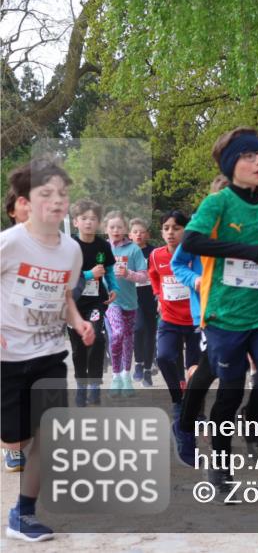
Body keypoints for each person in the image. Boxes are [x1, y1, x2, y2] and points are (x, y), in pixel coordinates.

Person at [181, 127, 258, 495]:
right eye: (250, 156)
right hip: (224, 316)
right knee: (228, 393)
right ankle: (220, 466)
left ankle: (253, 418)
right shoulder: (217, 204)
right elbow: (192, 240)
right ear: (233, 165)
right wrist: (243, 252)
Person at [1, 158, 94, 541]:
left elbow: (64, 294)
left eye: (62, 193)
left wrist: (78, 321)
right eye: (47, 193)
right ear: (26, 201)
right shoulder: (10, 243)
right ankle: (11, 444)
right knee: (13, 435)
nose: (57, 201)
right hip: (8, 357)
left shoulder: (71, 251)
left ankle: (22, 514)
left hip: (50, 352)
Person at [170, 175, 228, 467]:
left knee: (216, 372)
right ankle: (189, 423)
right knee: (207, 371)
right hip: (207, 313)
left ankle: (198, 423)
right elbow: (177, 264)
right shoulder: (199, 228)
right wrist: (196, 281)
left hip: (244, 313)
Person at [148, 211, 201, 429]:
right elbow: (153, 275)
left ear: (185, 231)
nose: (171, 232)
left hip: (195, 321)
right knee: (164, 357)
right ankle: (178, 400)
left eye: (176, 228)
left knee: (195, 368)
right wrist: (158, 294)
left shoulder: (194, 255)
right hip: (169, 319)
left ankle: (198, 408)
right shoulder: (156, 255)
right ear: (161, 231)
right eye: (166, 228)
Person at [69, 199, 119, 407]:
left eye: (93, 219)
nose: (89, 222)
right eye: (84, 219)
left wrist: (114, 287)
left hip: (96, 302)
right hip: (73, 304)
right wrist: (89, 274)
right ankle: (81, 386)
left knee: (97, 339)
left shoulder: (103, 245)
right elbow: (67, 275)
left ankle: (94, 386)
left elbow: (108, 270)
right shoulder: (69, 246)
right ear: (75, 222)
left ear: (98, 223)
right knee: (79, 348)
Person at [105, 210, 149, 397]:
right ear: (105, 229)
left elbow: (144, 276)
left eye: (119, 227)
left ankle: (126, 376)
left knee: (128, 339)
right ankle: (115, 375)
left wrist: (128, 274)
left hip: (131, 302)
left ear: (126, 229)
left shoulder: (133, 250)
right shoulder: (102, 248)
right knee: (118, 333)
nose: (116, 230)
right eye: (112, 227)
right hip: (110, 302)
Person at [130, 218, 158, 387]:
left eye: (142, 231)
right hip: (133, 295)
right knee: (139, 327)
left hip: (151, 295)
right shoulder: (126, 251)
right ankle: (138, 363)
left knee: (150, 332)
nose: (139, 234)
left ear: (147, 234)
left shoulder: (154, 252)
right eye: (135, 232)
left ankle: (147, 370)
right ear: (130, 234)